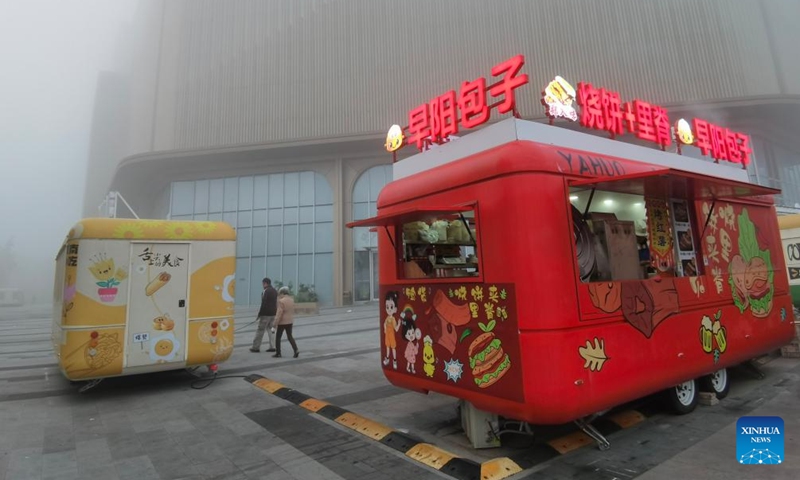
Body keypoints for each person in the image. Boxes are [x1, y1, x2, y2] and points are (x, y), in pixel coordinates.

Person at [250, 277, 278, 353]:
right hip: (273, 313)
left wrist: (259, 314)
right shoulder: (275, 291)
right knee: (272, 330)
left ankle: (255, 347)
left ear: (265, 283)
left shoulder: (265, 291)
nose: (262, 285)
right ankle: (273, 346)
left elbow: (264, 303)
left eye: (263, 284)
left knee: (260, 330)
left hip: (265, 314)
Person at [272, 286, 299, 358]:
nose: (279, 295)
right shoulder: (291, 300)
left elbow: (279, 313)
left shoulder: (281, 301)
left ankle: (278, 353)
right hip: (290, 321)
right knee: (290, 336)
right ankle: (296, 349)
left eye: (280, 293)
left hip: (282, 322)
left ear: (282, 293)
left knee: (278, 337)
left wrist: (274, 324)